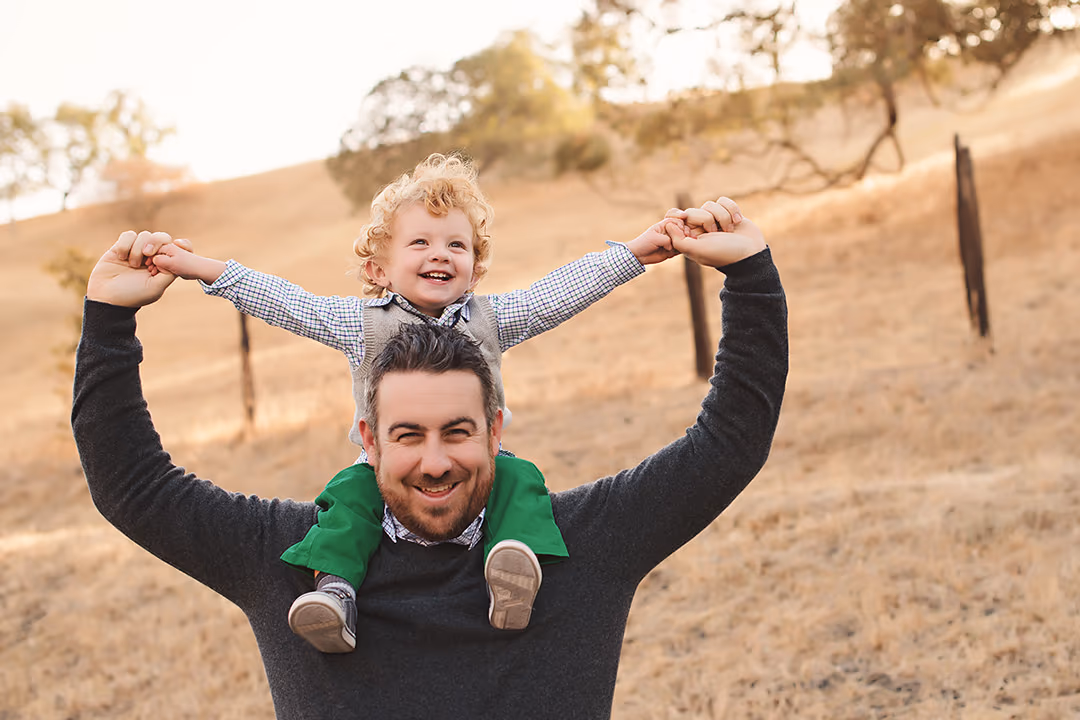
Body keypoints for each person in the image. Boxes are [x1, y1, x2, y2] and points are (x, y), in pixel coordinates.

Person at [73, 198, 787, 719]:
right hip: (326, 567)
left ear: (496, 430)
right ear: (369, 437)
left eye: (458, 431)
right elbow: (133, 484)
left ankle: (509, 561)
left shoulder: (582, 545)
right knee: (342, 531)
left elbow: (727, 443)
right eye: (408, 435)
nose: (436, 461)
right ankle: (339, 593)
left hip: (529, 546)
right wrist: (111, 316)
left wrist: (747, 273)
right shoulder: (284, 558)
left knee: (521, 500)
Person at [131, 153, 686, 651]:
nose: (439, 255)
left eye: (456, 245)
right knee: (347, 502)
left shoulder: (490, 320)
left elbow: (560, 291)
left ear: (475, 265)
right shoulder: (362, 326)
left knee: (521, 482)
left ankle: (510, 567)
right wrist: (200, 268)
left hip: (475, 466)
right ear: (378, 268)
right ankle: (337, 596)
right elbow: (284, 300)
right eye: (419, 243)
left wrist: (635, 254)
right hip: (387, 468)